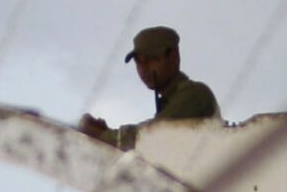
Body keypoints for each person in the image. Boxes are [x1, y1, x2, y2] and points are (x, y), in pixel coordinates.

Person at [81, 26, 220, 139]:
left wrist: (104, 135)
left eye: (152, 59)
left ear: (174, 56)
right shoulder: (170, 103)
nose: (143, 68)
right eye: (138, 61)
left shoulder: (194, 94)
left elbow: (153, 134)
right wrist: (108, 134)